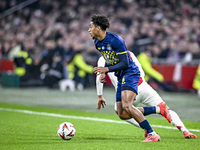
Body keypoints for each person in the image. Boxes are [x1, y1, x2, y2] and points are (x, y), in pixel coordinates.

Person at [89, 14, 166, 142]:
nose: (89, 30)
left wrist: (106, 69)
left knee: (127, 106)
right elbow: (110, 58)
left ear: (98, 28)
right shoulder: (97, 42)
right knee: (122, 114)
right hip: (121, 75)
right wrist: (105, 73)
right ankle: (157, 109)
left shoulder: (115, 40)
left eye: (90, 27)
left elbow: (125, 63)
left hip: (130, 73)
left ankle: (152, 134)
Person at [96, 51, 197, 139]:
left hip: (128, 91)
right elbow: (140, 71)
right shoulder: (129, 53)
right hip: (144, 87)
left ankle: (148, 127)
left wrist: (100, 95)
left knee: (121, 111)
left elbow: (99, 78)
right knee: (167, 108)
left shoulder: (102, 59)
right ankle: (185, 131)